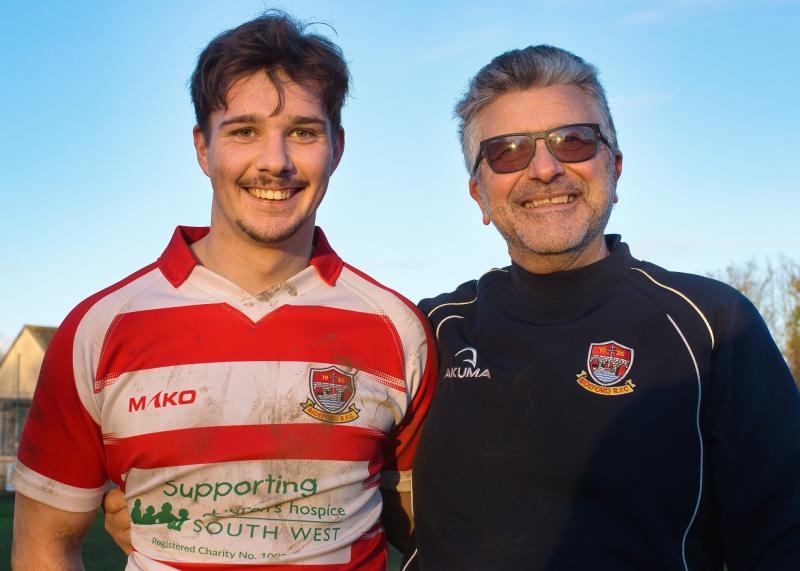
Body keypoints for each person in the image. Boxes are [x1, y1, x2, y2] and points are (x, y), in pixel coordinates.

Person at [11, 12, 435, 570]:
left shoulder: (398, 328)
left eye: (304, 132)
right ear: (203, 148)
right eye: (244, 131)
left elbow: (428, 525)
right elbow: (47, 542)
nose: (275, 161)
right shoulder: (99, 329)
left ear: (337, 148)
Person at [409, 45, 800, 570]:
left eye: (573, 141)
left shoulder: (712, 325)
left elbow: (783, 535)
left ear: (614, 167)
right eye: (507, 151)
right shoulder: (429, 331)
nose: (544, 169)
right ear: (478, 193)